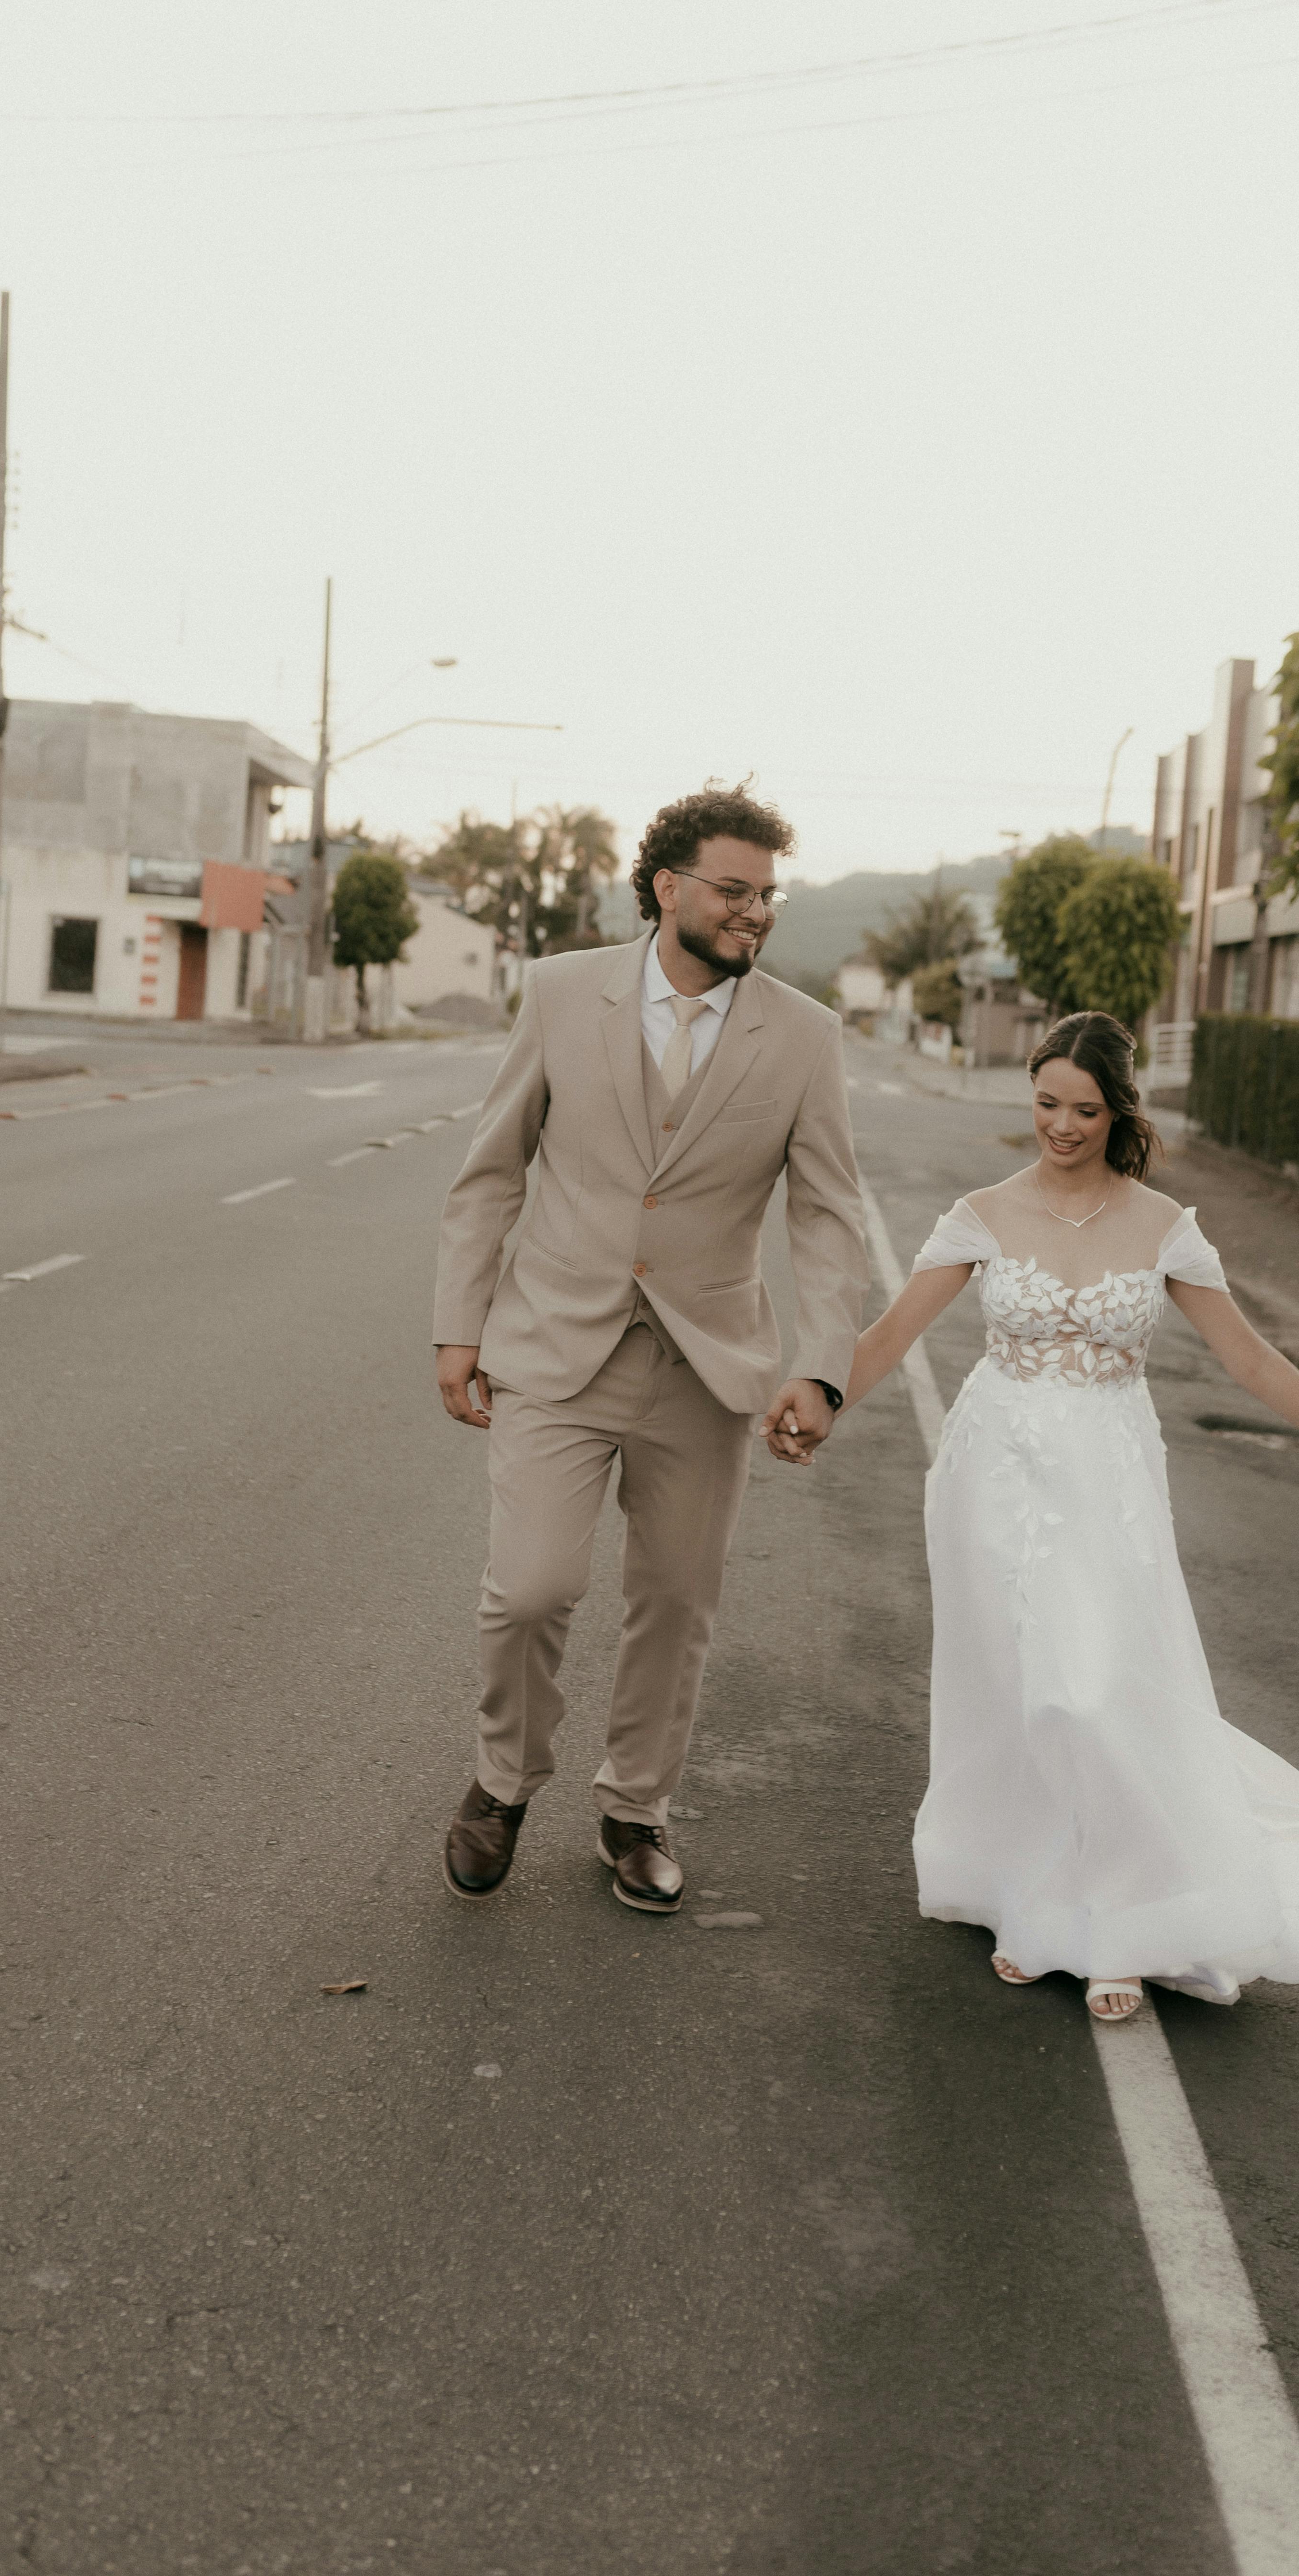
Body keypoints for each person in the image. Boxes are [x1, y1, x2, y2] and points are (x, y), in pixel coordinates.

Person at [843, 1008, 1299, 2022]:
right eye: (1046, 1103)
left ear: (1118, 1113)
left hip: (1105, 1472)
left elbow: (1249, 1359)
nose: (1060, 1125)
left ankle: (1126, 1919)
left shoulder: (1165, 1227)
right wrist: (812, 1401)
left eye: (1084, 1109)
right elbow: (890, 1334)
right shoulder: (981, 1212)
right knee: (1017, 1688)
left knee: (1094, 1688)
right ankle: (1029, 1894)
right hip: (994, 1468)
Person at [432, 785, 867, 1915]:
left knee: (675, 1602)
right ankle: (501, 1782)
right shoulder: (561, 992)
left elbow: (826, 1214)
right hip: (554, 1345)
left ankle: (635, 1810)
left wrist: (822, 1366)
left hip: (705, 1365)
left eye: (767, 894)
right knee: (528, 1590)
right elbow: (493, 1169)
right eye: (733, 889)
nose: (754, 912)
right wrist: (457, 1325)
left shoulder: (806, 1037)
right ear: (669, 887)